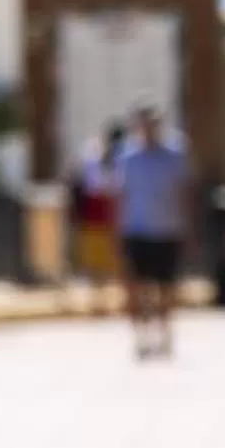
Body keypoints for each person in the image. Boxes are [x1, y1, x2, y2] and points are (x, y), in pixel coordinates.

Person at [110, 104, 194, 359]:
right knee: (136, 286)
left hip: (167, 228)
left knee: (165, 287)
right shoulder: (126, 157)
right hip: (136, 229)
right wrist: (116, 231)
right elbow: (119, 196)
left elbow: (184, 193)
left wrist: (189, 227)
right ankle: (141, 336)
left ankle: (165, 334)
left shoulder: (175, 154)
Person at [71, 125, 125, 309]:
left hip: (114, 216)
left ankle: (112, 299)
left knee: (114, 259)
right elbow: (92, 185)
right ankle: (97, 300)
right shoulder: (93, 156)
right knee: (94, 260)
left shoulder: (122, 158)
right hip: (94, 215)